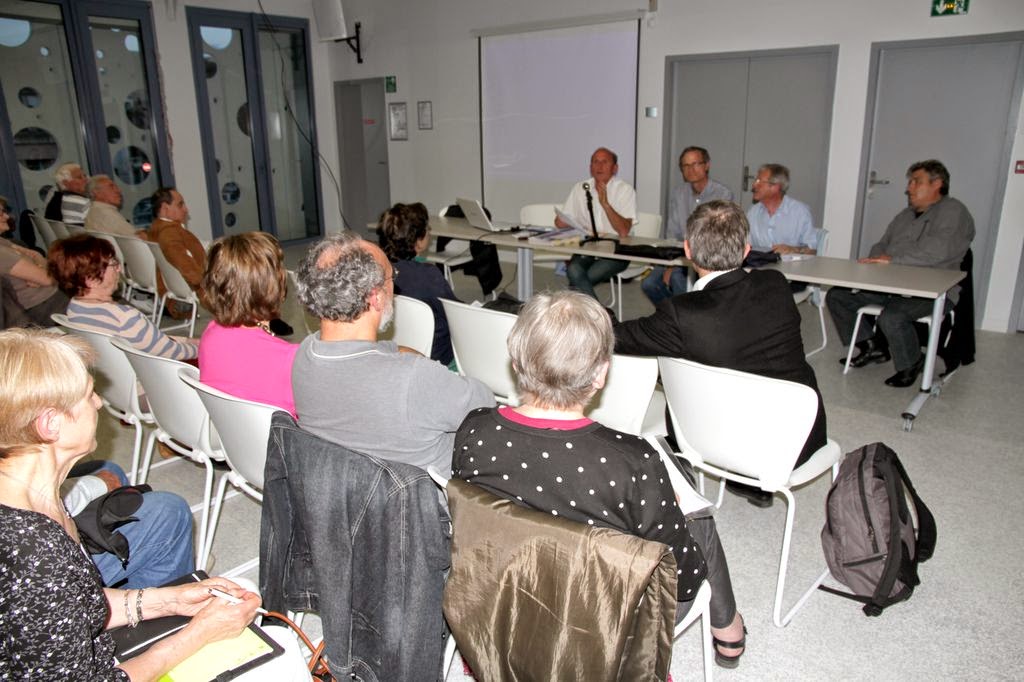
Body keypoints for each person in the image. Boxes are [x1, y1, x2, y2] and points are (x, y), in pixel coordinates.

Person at [452, 291, 747, 668]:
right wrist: (665, 501)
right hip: (603, 627)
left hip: (502, 606)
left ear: (515, 360)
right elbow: (684, 580)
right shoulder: (632, 460)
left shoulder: (475, 430)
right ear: (602, 373)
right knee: (698, 520)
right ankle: (729, 631)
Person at [0, 328, 260, 679]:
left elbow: (80, 604)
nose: (97, 403)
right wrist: (198, 633)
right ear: (50, 424)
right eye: (89, 395)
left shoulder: (34, 497)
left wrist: (171, 599)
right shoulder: (34, 554)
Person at [614, 200, 827, 508]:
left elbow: (616, 338)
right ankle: (748, 480)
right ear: (746, 249)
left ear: (687, 250)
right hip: (801, 440)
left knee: (666, 370)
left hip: (721, 444)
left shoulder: (681, 314)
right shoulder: (776, 284)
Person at [292, 232, 494, 472]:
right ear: (376, 297)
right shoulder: (415, 378)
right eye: (391, 278)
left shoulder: (305, 353)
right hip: (422, 500)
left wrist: (400, 353)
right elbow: (484, 404)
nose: (394, 288)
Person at [827, 159, 974, 387]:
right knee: (838, 296)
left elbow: (938, 251)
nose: (909, 188)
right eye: (910, 182)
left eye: (916, 182)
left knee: (892, 317)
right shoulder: (905, 216)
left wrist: (892, 260)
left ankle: (911, 362)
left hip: (932, 291)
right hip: (890, 285)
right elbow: (881, 244)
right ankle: (872, 346)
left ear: (937, 184)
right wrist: (877, 258)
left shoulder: (954, 212)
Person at [49, 234, 198, 361]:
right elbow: (172, 352)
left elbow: (153, 341)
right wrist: (204, 348)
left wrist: (187, 340)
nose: (119, 269)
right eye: (113, 264)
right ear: (91, 279)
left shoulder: (75, 307)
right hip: (145, 384)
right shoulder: (124, 317)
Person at [199, 232, 299, 416]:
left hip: (230, 436)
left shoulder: (211, 333)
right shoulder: (291, 359)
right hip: (274, 442)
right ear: (272, 285)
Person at [641, 146, 733, 305]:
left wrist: (676, 267)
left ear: (707, 165)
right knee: (649, 284)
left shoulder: (722, 194)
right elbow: (672, 234)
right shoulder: (678, 194)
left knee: (677, 279)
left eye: (695, 164)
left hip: (708, 255)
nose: (691, 169)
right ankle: (675, 317)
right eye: (686, 165)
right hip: (680, 253)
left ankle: (684, 320)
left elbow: (718, 237)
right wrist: (670, 264)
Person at [376, 201, 458, 367]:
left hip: (393, 352)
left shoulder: (376, 272)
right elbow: (455, 314)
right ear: (419, 242)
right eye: (427, 230)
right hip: (436, 358)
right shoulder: (428, 275)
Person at [557, 147, 637, 300]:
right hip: (589, 246)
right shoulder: (580, 188)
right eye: (595, 162)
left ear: (615, 168)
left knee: (580, 280)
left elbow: (623, 231)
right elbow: (562, 222)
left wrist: (605, 204)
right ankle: (601, 316)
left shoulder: (625, 190)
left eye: (604, 162)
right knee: (573, 270)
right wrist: (562, 220)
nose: (599, 166)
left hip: (618, 248)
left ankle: (594, 315)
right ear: (590, 167)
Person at [0, 196, 69, 328]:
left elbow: (36, 255)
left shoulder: (3, 242)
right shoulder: (2, 253)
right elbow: (48, 279)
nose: (7, 217)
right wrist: (42, 270)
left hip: (50, 297)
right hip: (45, 306)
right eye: (1, 213)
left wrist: (39, 266)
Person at [147, 187, 206, 313]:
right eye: (180, 205)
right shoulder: (169, 233)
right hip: (196, 291)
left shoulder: (157, 229)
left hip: (172, 291)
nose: (186, 209)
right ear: (164, 208)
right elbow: (186, 267)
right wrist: (209, 283)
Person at [746, 164, 818, 256]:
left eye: (759, 181)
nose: (754, 185)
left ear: (776, 187)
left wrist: (793, 249)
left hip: (791, 268)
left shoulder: (800, 212)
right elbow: (745, 245)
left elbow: (812, 249)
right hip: (760, 267)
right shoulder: (753, 212)